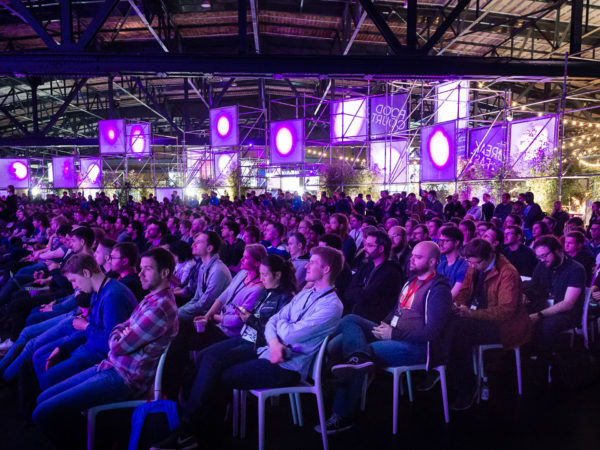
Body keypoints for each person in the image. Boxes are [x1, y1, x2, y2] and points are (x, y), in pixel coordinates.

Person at [152, 246, 344, 449]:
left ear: (326, 269)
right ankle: (197, 431)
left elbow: (287, 332)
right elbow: (273, 322)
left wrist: (279, 328)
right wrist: (275, 339)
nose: (306, 266)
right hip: (267, 352)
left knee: (215, 373)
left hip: (287, 367)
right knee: (210, 366)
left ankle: (191, 431)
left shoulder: (332, 305)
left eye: (312, 262)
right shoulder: (306, 294)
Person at [32, 247, 179, 449]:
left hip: (124, 378)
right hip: (111, 366)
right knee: (42, 399)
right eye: (141, 268)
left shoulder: (160, 307)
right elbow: (120, 329)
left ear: (164, 273)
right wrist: (121, 331)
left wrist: (119, 333)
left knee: (42, 413)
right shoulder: (151, 298)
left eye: (147, 269)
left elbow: (116, 345)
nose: (140, 274)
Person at [319, 242, 452, 433]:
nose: (412, 259)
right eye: (412, 255)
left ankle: (343, 414)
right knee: (349, 321)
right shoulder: (411, 281)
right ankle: (354, 359)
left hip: (418, 348)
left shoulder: (439, 289)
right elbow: (397, 311)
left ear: (432, 262)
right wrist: (385, 325)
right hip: (394, 334)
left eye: (418, 257)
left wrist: (394, 334)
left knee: (362, 351)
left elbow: (432, 332)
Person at [34, 253, 138, 391]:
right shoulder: (97, 290)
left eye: (74, 280)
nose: (75, 286)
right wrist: (64, 348)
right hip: (90, 346)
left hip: (103, 358)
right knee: (40, 358)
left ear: (86, 273)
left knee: (47, 376)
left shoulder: (113, 296)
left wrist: (85, 326)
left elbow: (111, 344)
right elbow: (92, 330)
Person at [449, 239, 531, 411]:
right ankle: (453, 376)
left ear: (489, 256)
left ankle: (467, 387)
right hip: (478, 317)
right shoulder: (474, 266)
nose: (472, 266)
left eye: (476, 263)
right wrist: (458, 306)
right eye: (469, 262)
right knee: (449, 325)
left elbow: (505, 312)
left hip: (505, 326)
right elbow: (464, 292)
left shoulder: (507, 273)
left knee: (458, 332)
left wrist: (471, 313)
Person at [527, 235, 586, 353]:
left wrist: (539, 315)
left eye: (544, 255)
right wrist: (524, 295)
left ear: (558, 251)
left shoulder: (576, 269)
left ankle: (548, 357)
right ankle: (525, 355)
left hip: (567, 313)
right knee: (518, 317)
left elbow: (568, 303)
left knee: (546, 325)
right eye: (539, 257)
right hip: (543, 306)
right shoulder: (542, 265)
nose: (542, 260)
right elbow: (533, 287)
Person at [344, 230, 404, 323]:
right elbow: (348, 291)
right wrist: (359, 292)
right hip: (357, 314)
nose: (364, 248)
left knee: (347, 320)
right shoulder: (367, 265)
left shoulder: (391, 272)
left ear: (381, 249)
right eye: (365, 244)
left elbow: (366, 298)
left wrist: (358, 291)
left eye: (370, 245)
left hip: (374, 321)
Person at [178, 231, 231, 323]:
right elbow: (196, 298)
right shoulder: (203, 266)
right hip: (204, 311)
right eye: (194, 242)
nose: (193, 245)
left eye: (198, 242)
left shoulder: (218, 270)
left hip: (214, 317)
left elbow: (204, 304)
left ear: (209, 248)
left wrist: (178, 312)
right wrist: (181, 310)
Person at [437, 226, 469, 298]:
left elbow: (454, 294)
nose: (441, 244)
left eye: (445, 241)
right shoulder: (441, 265)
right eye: (440, 241)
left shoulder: (463, 265)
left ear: (456, 242)